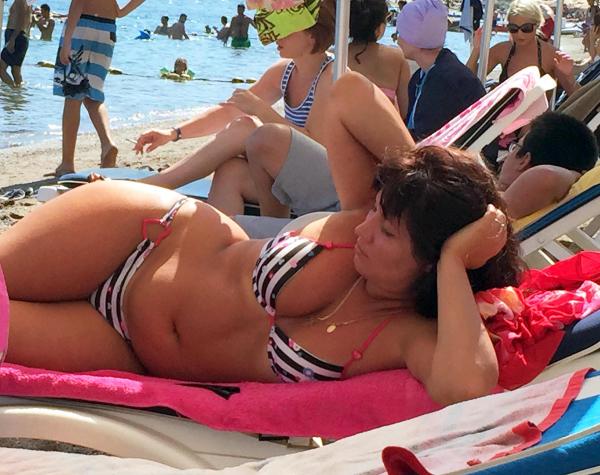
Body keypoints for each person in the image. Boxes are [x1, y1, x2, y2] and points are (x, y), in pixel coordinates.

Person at [0, 144, 520, 406]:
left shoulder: (406, 335)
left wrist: (456, 260)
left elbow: (467, 388)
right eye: (374, 212)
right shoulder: (354, 230)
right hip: (144, 235)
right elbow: (347, 96)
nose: (364, 228)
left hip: (125, 344)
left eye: (385, 232)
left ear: (429, 262)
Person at [133, 0, 337, 218]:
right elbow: (229, 111)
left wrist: (260, 109)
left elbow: (318, 144)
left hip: (329, 191)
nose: (275, 36)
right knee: (231, 171)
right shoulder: (285, 71)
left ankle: (156, 184)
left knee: (246, 126)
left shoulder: (331, 75)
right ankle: (222, 239)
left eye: (284, 29)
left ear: (311, 35)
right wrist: (173, 133)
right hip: (297, 179)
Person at [52, 0, 146, 177]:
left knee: (73, 95)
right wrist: (120, 12)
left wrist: (67, 40)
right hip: (107, 29)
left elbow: (78, 2)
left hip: (82, 27)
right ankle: (107, 143)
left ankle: (67, 164)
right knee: (93, 94)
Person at [396, 0, 486, 141]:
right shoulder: (431, 73)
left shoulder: (444, 81)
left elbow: (426, 136)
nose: (398, 40)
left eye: (401, 33)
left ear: (415, 37)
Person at [498, 112, 598, 219]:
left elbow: (548, 176)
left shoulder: (494, 210)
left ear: (524, 161)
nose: (505, 157)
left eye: (514, 147)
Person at [467, 0, 578, 96]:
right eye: (513, 28)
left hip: (539, 115)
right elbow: (467, 81)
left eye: (526, 28)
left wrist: (568, 76)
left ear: (537, 25)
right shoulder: (502, 50)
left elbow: (576, 96)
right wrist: (476, 50)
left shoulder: (551, 55)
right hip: (505, 114)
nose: (520, 34)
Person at [348, 0, 411, 117]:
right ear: (380, 28)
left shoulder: (336, 57)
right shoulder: (397, 58)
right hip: (383, 126)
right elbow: (406, 111)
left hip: (343, 126)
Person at [0, 0, 33, 87]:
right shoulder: (28, 2)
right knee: (15, 70)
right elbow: (29, 20)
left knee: (1, 68)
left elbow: (21, 20)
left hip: (16, 36)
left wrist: (12, 39)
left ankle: (13, 90)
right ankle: (18, 93)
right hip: (20, 36)